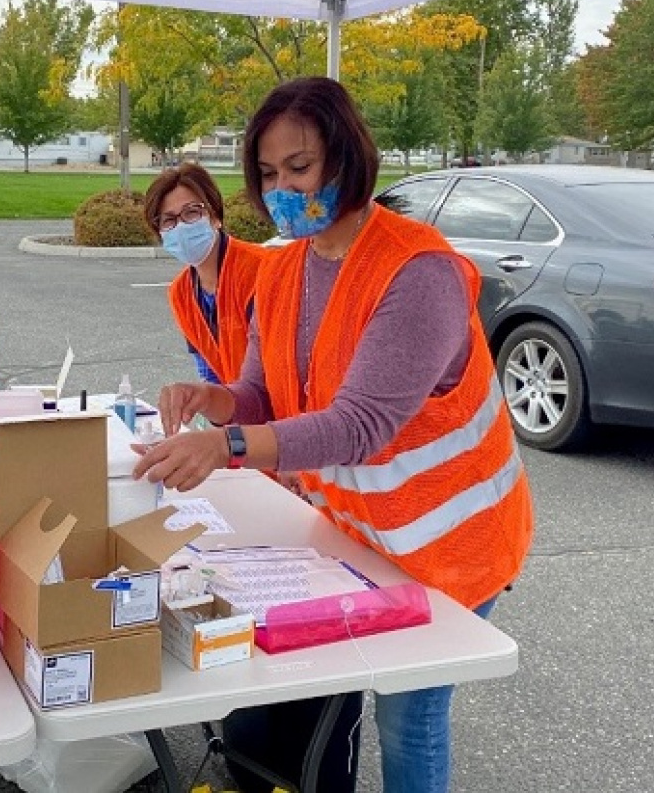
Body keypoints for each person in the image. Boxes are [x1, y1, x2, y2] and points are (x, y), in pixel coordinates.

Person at [133, 77, 534, 793]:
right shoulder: (284, 268)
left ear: (346, 158)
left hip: (452, 544)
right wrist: (213, 399)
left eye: (299, 167)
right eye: (266, 172)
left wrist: (224, 447)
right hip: (357, 535)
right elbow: (260, 390)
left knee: (409, 715)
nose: (281, 187)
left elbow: (358, 424)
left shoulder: (419, 271)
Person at [143, 162, 267, 385]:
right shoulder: (181, 293)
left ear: (215, 215)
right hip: (235, 410)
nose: (181, 226)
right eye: (168, 220)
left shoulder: (262, 270)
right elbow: (209, 373)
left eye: (192, 212)